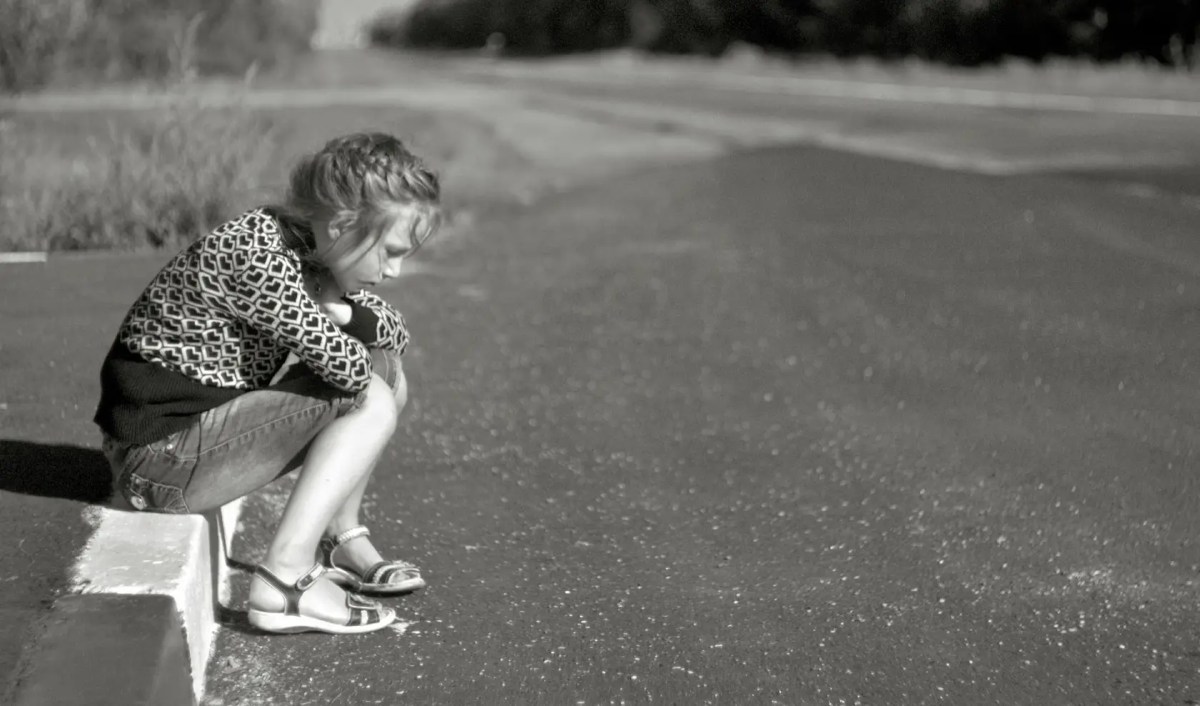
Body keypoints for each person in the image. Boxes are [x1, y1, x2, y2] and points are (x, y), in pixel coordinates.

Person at [93, 132, 443, 635]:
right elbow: (349, 371)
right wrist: (337, 313)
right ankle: (287, 580)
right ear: (344, 225)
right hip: (158, 463)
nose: (395, 270)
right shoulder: (258, 256)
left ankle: (341, 538)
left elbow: (395, 335)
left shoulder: (307, 244)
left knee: (386, 372)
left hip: (186, 444)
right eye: (389, 251)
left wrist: (339, 308)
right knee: (371, 396)